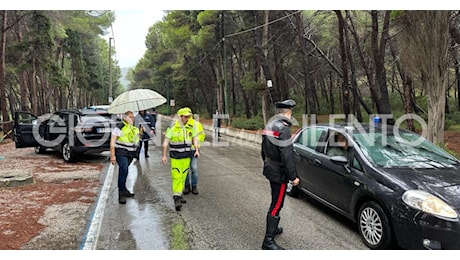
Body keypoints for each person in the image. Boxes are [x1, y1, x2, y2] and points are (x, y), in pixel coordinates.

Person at [260, 99, 300, 250]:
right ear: (288, 113)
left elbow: (263, 149)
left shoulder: (269, 125)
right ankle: (268, 240)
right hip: (279, 173)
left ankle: (273, 228)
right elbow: (287, 155)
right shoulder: (283, 129)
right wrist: (293, 177)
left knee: (274, 200)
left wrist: (266, 163)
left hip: (270, 168)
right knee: (277, 204)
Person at [161, 107, 200, 211]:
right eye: (185, 117)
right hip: (176, 157)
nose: (187, 119)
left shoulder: (190, 127)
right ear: (180, 117)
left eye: (188, 117)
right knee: (176, 176)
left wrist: (196, 150)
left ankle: (180, 194)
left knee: (183, 177)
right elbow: (165, 143)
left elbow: (195, 139)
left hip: (186, 156)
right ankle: (176, 198)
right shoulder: (172, 128)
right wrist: (164, 155)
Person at [110, 111, 141, 204]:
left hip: (130, 153)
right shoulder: (119, 127)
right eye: (130, 117)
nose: (132, 118)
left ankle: (124, 189)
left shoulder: (134, 128)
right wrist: (112, 156)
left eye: (133, 117)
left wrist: (140, 133)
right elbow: (112, 142)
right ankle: (121, 193)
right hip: (121, 152)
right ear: (124, 118)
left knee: (125, 170)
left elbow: (135, 140)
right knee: (123, 169)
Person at [184, 109, 206, 195]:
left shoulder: (197, 125)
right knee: (185, 170)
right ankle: (187, 186)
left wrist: (197, 143)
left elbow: (202, 135)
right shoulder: (181, 124)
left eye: (188, 115)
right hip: (184, 150)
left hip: (194, 150)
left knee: (194, 168)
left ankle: (194, 186)